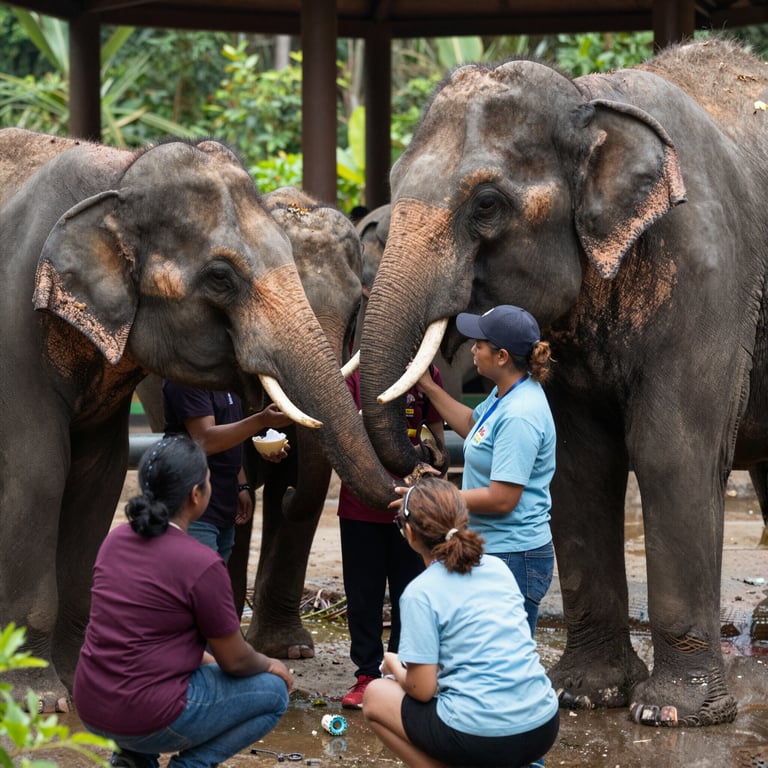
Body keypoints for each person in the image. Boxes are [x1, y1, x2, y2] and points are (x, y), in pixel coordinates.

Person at [73, 435, 293, 768]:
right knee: (274, 693)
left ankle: (132, 759)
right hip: (147, 712)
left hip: (92, 704)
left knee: (173, 678)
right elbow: (235, 661)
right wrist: (270, 665)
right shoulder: (202, 562)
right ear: (195, 495)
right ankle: (191, 765)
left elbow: (147, 636)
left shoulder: (115, 540)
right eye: (208, 479)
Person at [363, 476, 559, 768]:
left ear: (410, 534)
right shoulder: (498, 567)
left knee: (375, 696)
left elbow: (422, 689)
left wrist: (393, 664)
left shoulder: (420, 593)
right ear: (464, 520)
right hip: (542, 725)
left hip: (482, 736)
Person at [416, 305, 556, 636]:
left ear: (502, 356)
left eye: (479, 344)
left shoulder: (520, 414)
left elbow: (502, 498)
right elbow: (472, 425)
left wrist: (435, 496)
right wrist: (429, 388)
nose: (473, 350)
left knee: (503, 659)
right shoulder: (505, 394)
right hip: (496, 549)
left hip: (513, 556)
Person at [338, 367, 448, 709]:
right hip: (361, 504)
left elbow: (437, 428)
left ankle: (399, 669)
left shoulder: (426, 372)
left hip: (413, 505)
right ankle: (367, 673)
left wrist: (437, 457)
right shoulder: (357, 374)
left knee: (409, 592)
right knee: (363, 594)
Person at [162, 381, 291, 562]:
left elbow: (230, 437)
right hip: (192, 507)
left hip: (223, 502)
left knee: (213, 579)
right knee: (199, 581)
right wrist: (262, 420)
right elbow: (205, 440)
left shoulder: (223, 379)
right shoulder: (184, 380)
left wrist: (242, 484)